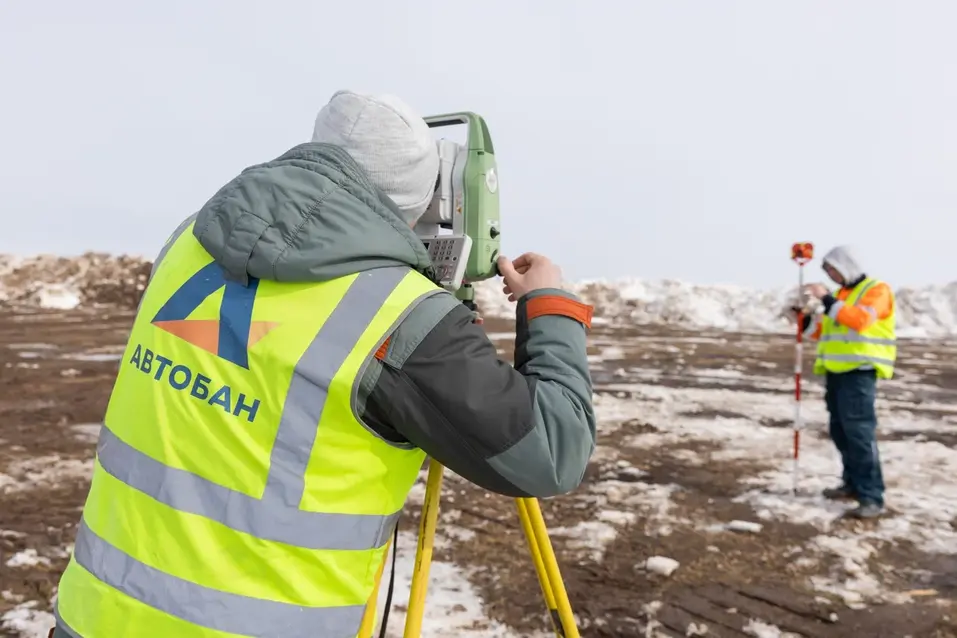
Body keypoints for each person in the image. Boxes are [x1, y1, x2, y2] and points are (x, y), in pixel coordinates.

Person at [49, 90, 597, 638]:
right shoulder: (400, 315)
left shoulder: (191, 240)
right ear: (425, 198)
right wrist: (550, 305)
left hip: (94, 614)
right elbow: (552, 450)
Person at [800, 245, 896, 520]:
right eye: (828, 272)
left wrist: (827, 299)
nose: (831, 276)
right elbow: (822, 332)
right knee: (840, 431)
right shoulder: (842, 296)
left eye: (832, 270)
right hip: (836, 372)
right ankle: (852, 484)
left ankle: (871, 496)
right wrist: (802, 318)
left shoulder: (877, 290)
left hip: (859, 372)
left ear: (846, 266)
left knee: (859, 433)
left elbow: (861, 321)